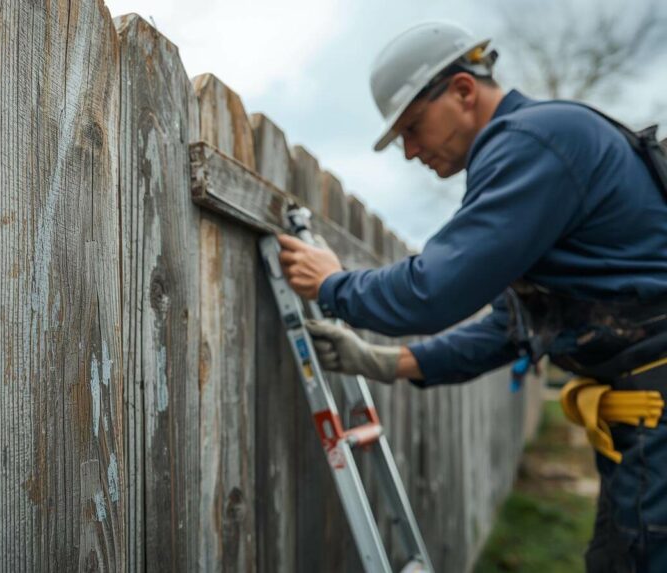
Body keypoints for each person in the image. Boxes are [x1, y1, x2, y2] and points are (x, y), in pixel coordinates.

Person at [276, 21, 667, 572]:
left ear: (463, 90)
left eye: (412, 127)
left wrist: (333, 285)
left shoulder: (529, 141)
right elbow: (515, 325)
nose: (410, 151)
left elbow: (433, 290)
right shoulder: (546, 144)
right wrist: (386, 363)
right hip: (645, 424)